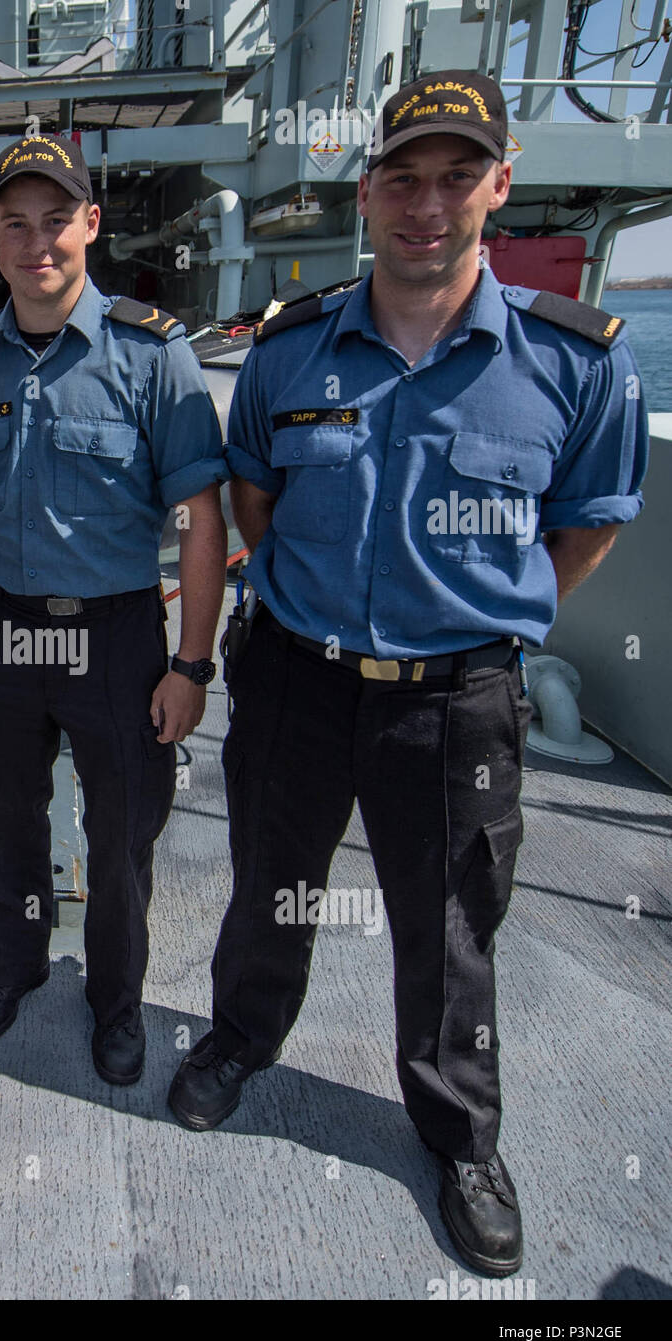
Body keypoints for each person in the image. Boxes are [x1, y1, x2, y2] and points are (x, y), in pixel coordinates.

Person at [167, 72, 648, 1274]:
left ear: (500, 181)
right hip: (299, 675)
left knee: (450, 930)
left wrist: (484, 617)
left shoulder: (574, 365)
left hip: (456, 698)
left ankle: (458, 1135)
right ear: (369, 188)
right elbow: (256, 505)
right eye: (404, 178)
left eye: (454, 177)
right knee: (268, 882)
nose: (426, 205)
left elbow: (584, 525)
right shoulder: (290, 349)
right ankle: (240, 1039)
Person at [0, 135, 228, 1085]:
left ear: (91, 226)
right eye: (15, 223)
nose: (38, 244)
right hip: (4, 624)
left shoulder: (155, 354)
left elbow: (199, 518)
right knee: (3, 821)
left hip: (114, 634)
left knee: (120, 838)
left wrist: (190, 665)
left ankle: (116, 1000)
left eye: (56, 221)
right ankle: (14, 964)